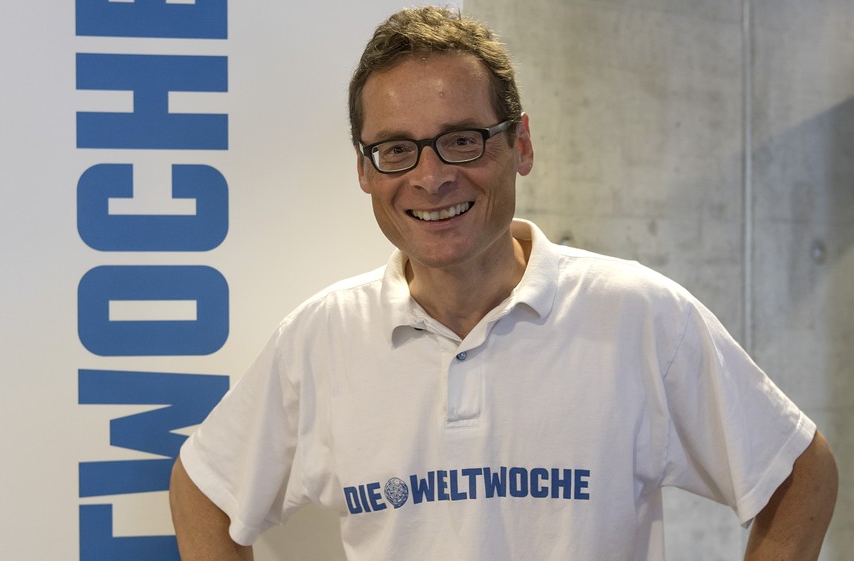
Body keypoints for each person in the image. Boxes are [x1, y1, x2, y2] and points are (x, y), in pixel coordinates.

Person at [169, 6, 838, 560]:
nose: (430, 177)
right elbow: (203, 487)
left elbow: (800, 472)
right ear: (365, 171)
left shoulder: (637, 315)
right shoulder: (322, 338)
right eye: (396, 149)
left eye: (462, 139)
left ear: (519, 144)